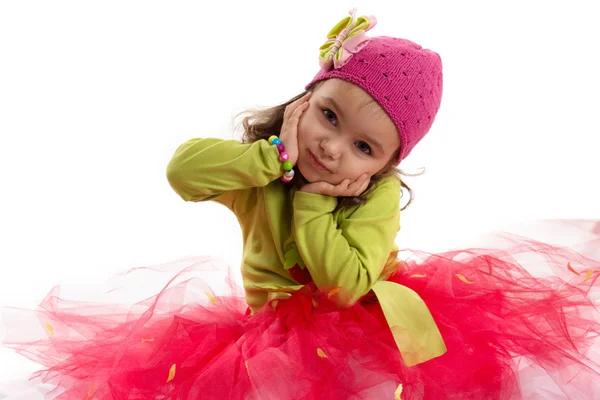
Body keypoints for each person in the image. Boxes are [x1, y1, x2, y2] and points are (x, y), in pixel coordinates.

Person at [2, 9, 599, 400]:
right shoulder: (263, 172)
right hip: (267, 336)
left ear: (384, 165)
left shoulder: (377, 195)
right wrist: (268, 160)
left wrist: (314, 207)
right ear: (304, 100)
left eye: (362, 146)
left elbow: (344, 287)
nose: (332, 148)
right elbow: (182, 172)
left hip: (366, 323)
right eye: (328, 115)